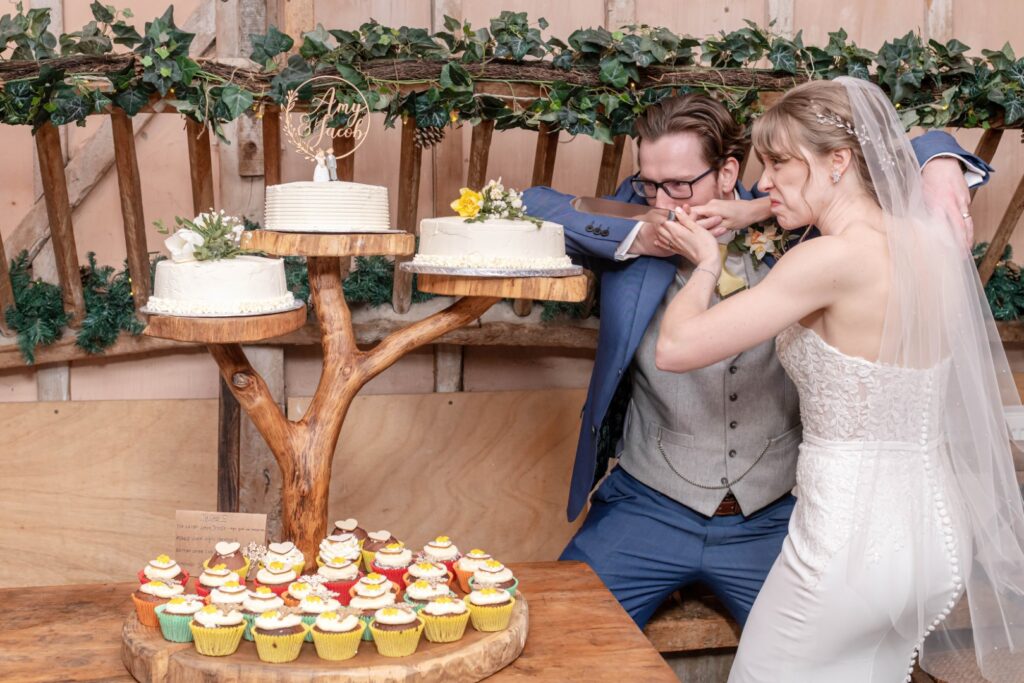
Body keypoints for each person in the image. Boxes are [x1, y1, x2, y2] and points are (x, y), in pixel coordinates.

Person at [522, 93, 991, 628]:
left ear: (726, 173)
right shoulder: (635, 230)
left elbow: (861, 154)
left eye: (679, 184)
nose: (661, 200)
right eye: (648, 184)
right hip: (646, 505)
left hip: (771, 517)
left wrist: (938, 161)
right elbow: (527, 204)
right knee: (554, 632)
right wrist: (638, 233)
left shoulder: (804, 224)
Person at [653, 77, 1024, 682]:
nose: (763, 180)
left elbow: (675, 348)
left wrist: (705, 267)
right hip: (934, 544)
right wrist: (755, 209)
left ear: (839, 161)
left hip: (846, 548)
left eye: (778, 163)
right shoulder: (932, 246)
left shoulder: (827, 260)